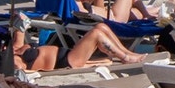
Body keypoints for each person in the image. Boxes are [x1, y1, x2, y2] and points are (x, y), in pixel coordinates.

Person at [8, 16, 147, 70]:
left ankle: (128, 53)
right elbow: (19, 69)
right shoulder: (12, 60)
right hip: (67, 62)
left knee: (101, 27)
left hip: (67, 53)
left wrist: (19, 20)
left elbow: (19, 31)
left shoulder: (16, 48)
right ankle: (125, 57)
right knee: (96, 34)